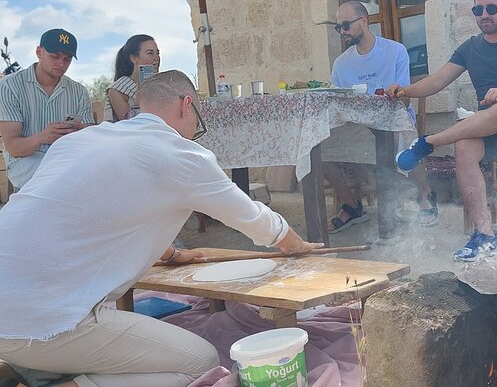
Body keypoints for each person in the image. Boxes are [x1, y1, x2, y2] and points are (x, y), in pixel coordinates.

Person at [0, 70, 323, 387]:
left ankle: (19, 369)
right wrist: (295, 244)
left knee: (37, 356)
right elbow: (253, 218)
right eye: (197, 114)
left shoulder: (84, 139)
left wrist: (170, 252)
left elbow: (93, 213)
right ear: (186, 105)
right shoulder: (182, 154)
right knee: (201, 363)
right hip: (41, 321)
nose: (196, 124)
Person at [388, 0, 497, 261]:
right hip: (491, 128)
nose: (484, 15)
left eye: (491, 8)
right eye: (478, 10)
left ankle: (429, 142)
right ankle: (485, 236)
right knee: (463, 147)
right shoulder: (470, 48)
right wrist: (404, 90)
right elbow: (438, 80)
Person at [323, 1, 438, 233]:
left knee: (406, 136)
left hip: (393, 121)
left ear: (363, 22)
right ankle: (351, 205)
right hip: (356, 127)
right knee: (316, 144)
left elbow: (405, 98)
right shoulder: (341, 64)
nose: (342, 32)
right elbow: (336, 102)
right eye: (338, 28)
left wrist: (396, 92)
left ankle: (426, 194)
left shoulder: (395, 50)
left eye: (345, 25)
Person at [0, 28, 94, 190]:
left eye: (67, 59)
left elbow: (89, 138)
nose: (61, 63)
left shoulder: (79, 91)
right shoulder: (10, 86)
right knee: (58, 184)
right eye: (55, 56)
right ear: (39, 52)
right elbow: (14, 148)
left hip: (67, 160)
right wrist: (42, 137)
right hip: (26, 160)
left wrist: (83, 132)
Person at [104, 34, 159, 122]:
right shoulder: (117, 90)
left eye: (157, 53)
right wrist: (139, 97)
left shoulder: (162, 85)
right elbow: (130, 124)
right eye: (150, 53)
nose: (156, 58)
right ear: (134, 58)